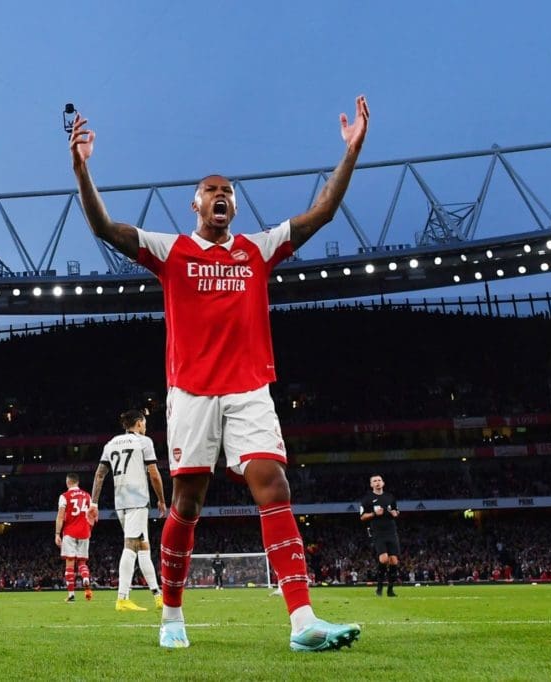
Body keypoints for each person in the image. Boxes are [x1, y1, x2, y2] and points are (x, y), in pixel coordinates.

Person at [70, 94, 369, 652]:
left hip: (250, 387)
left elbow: (323, 211)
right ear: (195, 204)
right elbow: (107, 229)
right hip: (190, 393)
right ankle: (173, 615)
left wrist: (350, 152)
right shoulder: (172, 251)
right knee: (187, 503)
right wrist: (83, 170)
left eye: (227, 191)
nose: (221, 195)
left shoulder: (257, 250)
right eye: (211, 191)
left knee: (274, 485)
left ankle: (302, 620)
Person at [89, 409, 167, 613]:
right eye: (145, 422)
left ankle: (158, 596)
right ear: (139, 423)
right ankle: (122, 598)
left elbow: (99, 475)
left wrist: (94, 503)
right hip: (137, 500)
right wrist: (161, 499)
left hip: (120, 501)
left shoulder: (111, 443)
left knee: (143, 547)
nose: (146, 426)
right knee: (131, 546)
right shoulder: (144, 442)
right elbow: (154, 473)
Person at [359, 474, 400, 597]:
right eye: (374, 481)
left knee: (393, 561)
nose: (377, 482)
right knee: (383, 559)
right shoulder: (367, 499)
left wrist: (395, 513)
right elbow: (362, 516)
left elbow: (396, 511)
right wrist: (374, 514)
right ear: (371, 484)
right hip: (378, 533)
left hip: (391, 532)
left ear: (383, 483)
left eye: (379, 480)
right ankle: (379, 587)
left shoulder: (390, 497)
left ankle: (390, 590)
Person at [55, 473, 94, 603]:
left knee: (70, 563)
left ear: (68, 482)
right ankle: (86, 579)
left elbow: (60, 516)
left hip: (70, 532)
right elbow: (93, 516)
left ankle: (71, 595)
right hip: (84, 532)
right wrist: (89, 529)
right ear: (77, 482)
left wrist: (57, 533)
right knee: (82, 562)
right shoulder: (87, 496)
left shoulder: (64, 496)